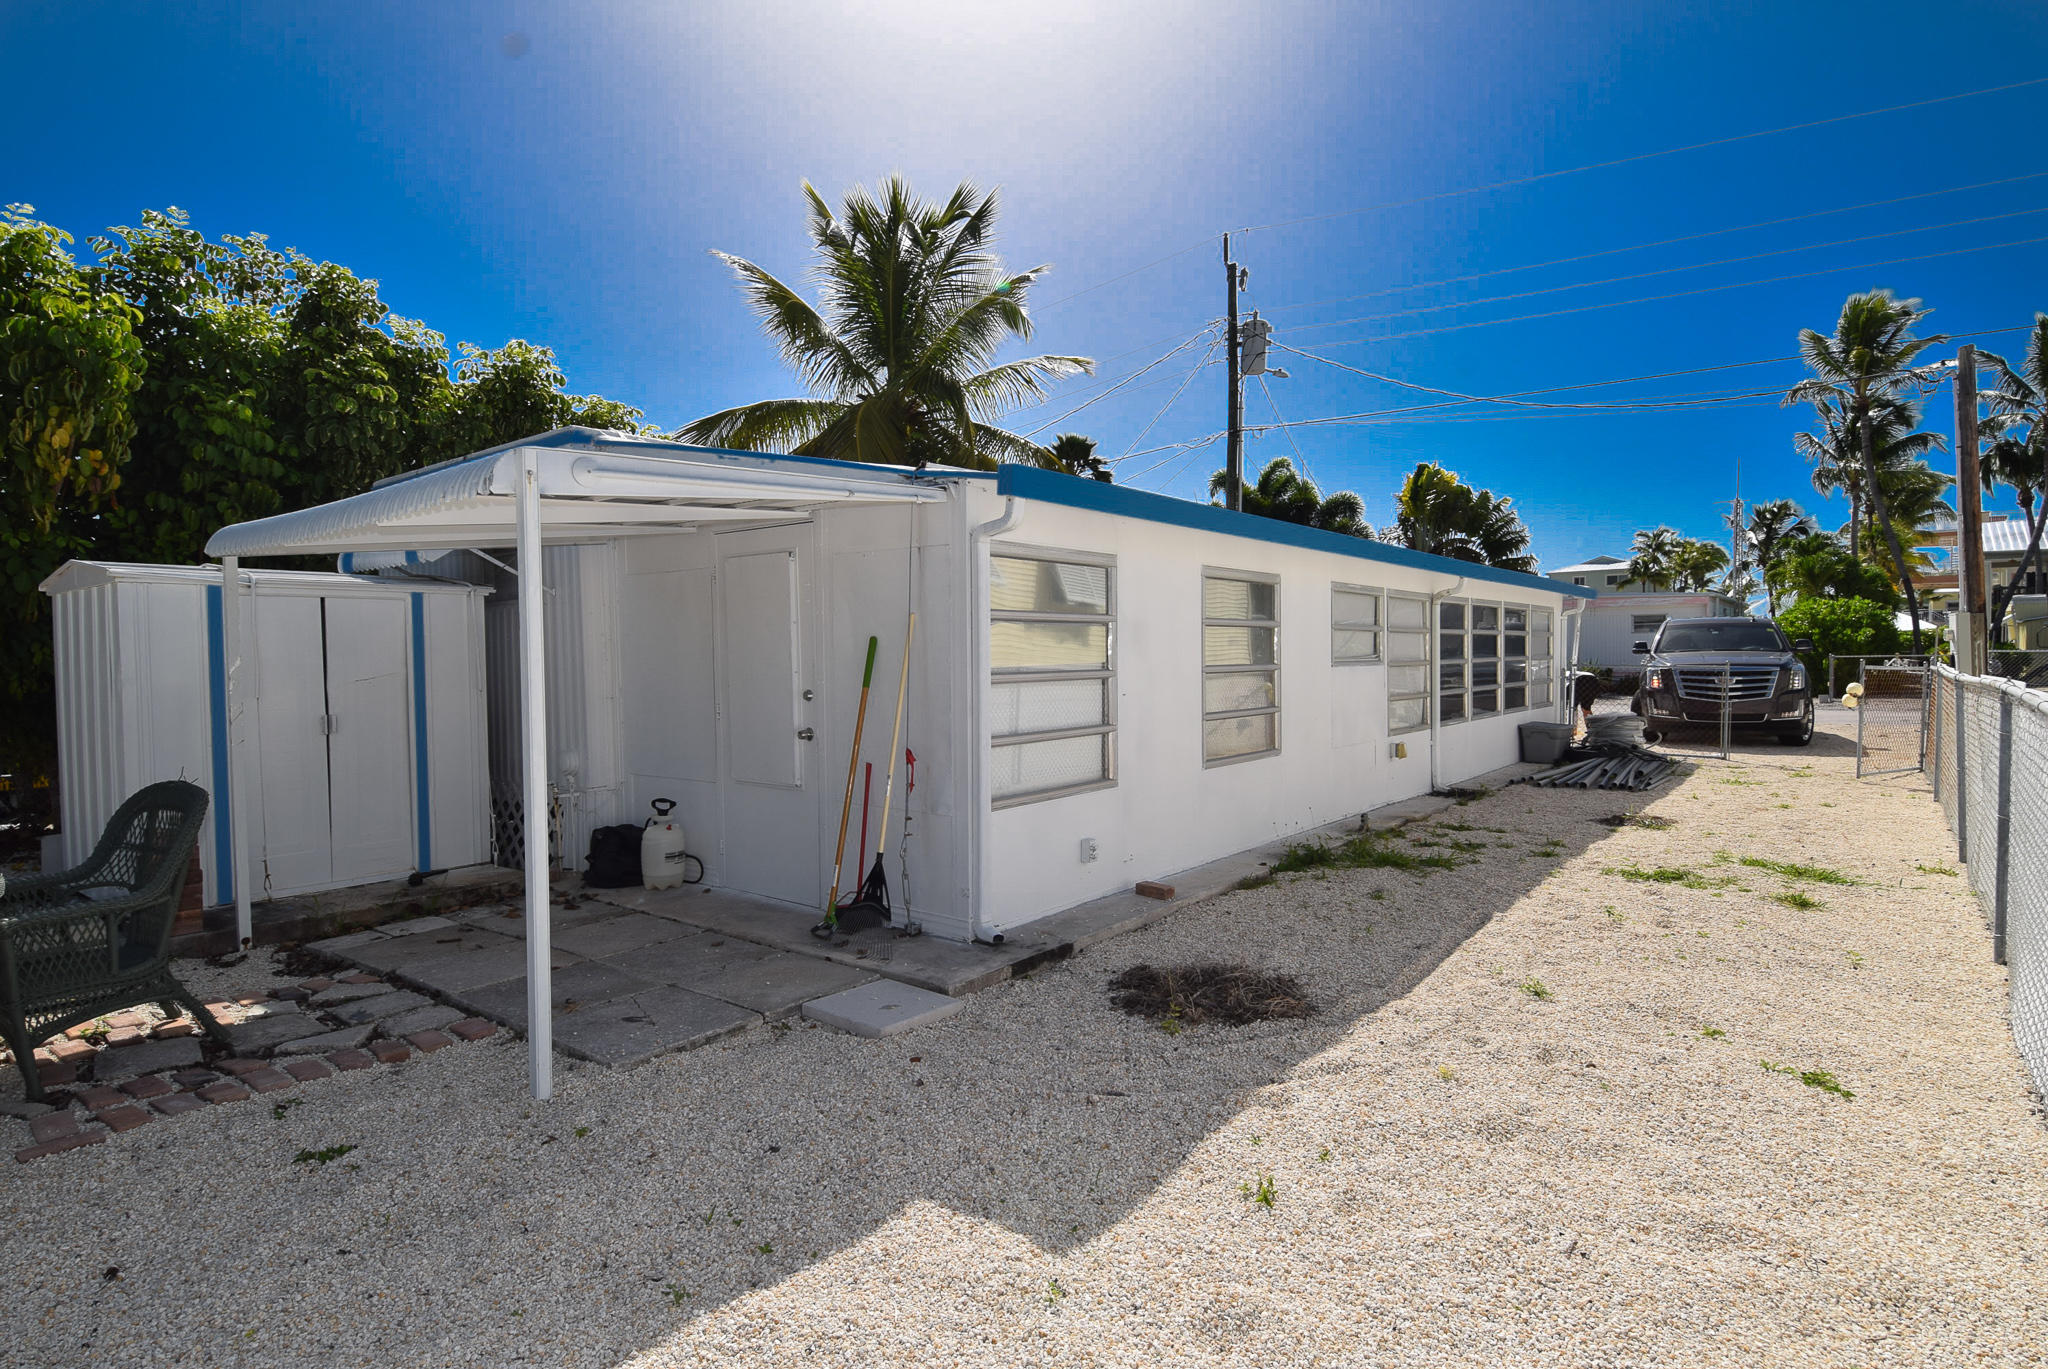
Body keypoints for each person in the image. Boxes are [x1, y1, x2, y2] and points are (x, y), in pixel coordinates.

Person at [1572, 670, 1601, 736]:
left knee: (1573, 708)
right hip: (1593, 680)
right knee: (1586, 709)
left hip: (1580, 681)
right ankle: (1591, 730)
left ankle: (1573, 731)